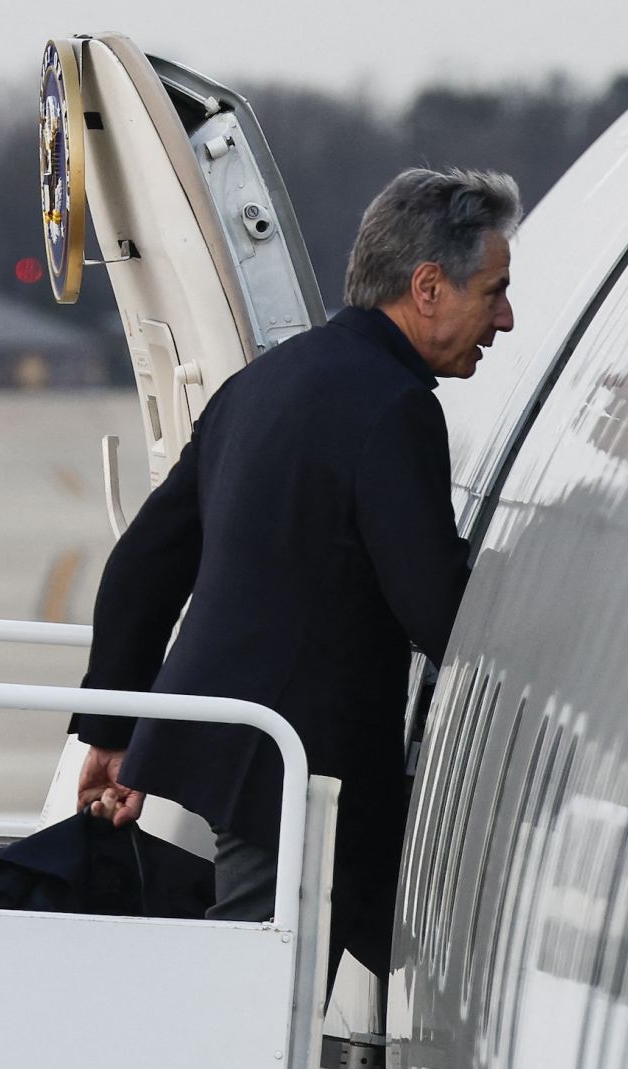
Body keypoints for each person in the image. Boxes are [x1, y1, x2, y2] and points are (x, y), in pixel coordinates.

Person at [69, 166, 520, 985]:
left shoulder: (265, 382)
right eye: (493, 292)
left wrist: (111, 725)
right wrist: (540, 596)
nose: (506, 319)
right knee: (255, 997)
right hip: (291, 766)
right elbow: (437, 608)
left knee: (369, 963)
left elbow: (145, 559)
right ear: (427, 286)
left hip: (234, 743)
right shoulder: (393, 406)